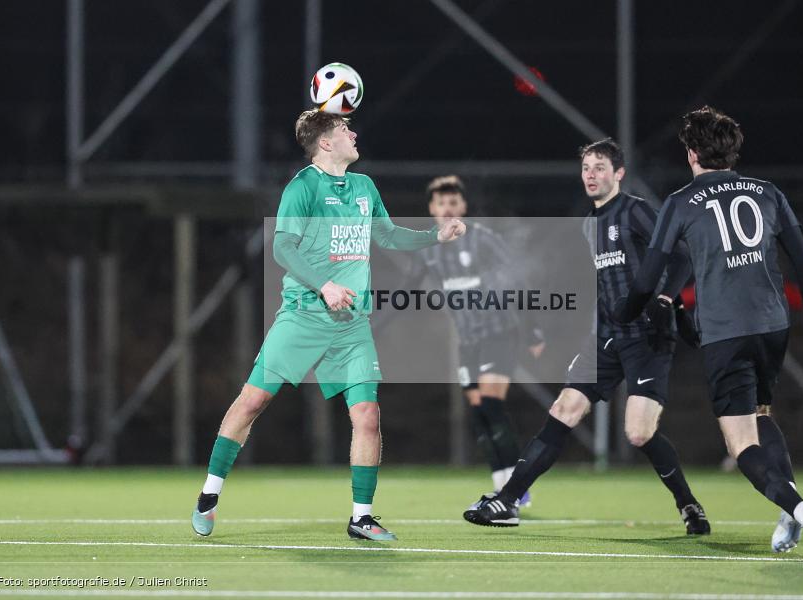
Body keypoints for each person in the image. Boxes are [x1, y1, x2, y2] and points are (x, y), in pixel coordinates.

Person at [190, 109, 466, 541]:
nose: (353, 134)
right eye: (343, 129)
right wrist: (324, 285)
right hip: (302, 315)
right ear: (324, 143)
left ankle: (361, 518)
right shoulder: (302, 187)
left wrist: (435, 235)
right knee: (252, 401)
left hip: (351, 324)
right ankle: (209, 494)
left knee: (368, 416)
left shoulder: (364, 186)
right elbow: (283, 247)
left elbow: (388, 235)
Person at [613, 106, 803, 561]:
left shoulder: (681, 201)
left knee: (742, 445)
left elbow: (647, 280)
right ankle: (790, 511)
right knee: (761, 413)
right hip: (773, 326)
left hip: (726, 332)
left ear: (692, 152)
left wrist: (626, 313)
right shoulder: (767, 191)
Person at [463, 139, 710, 535]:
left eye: (600, 167)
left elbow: (681, 256)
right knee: (564, 409)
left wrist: (666, 300)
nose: (591, 175)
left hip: (647, 336)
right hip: (607, 337)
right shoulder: (588, 223)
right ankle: (507, 500)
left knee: (639, 432)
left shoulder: (636, 211)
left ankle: (688, 503)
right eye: (586, 168)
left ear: (619, 173)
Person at [391, 175, 545, 505]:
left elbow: (517, 279)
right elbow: (407, 289)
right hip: (468, 341)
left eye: (453, 202)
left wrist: (532, 328)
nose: (447, 208)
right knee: (478, 413)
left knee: (491, 403)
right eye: (440, 203)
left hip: (499, 332)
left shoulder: (482, 239)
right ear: (431, 209)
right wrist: (373, 321)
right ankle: (504, 486)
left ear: (463, 206)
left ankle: (516, 489)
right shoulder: (428, 249)